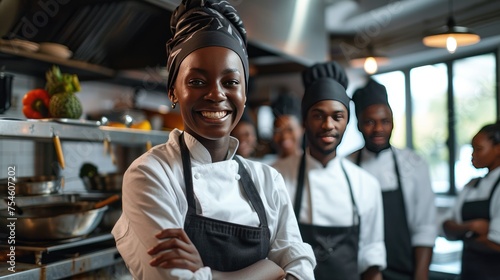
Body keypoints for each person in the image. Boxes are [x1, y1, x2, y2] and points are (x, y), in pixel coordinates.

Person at [111, 1, 316, 279]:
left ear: (244, 94)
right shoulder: (150, 175)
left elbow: (301, 268)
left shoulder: (267, 180)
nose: (216, 94)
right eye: (197, 82)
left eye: (230, 82)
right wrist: (270, 269)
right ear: (173, 91)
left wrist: (211, 275)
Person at [273, 61, 386, 280]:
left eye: (337, 116)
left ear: (347, 122)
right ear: (305, 120)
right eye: (318, 115)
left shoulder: (366, 184)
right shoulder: (276, 177)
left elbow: (371, 260)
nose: (328, 125)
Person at [348, 79, 437, 280]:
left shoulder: (414, 164)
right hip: (358, 272)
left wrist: (421, 276)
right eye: (370, 121)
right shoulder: (347, 165)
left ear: (393, 122)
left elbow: (425, 227)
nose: (378, 128)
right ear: (358, 124)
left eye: (385, 121)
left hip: (405, 270)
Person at [442, 122, 500, 280]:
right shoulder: (471, 184)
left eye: (478, 149)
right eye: (472, 149)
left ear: (498, 149)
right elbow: (445, 227)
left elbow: (496, 243)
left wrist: (460, 232)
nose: (473, 154)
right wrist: (472, 227)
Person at [271, 93, 304, 160]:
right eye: (278, 131)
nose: (284, 136)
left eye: (290, 129)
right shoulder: (267, 167)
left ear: (301, 129)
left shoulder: (313, 167)